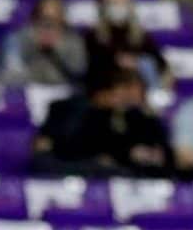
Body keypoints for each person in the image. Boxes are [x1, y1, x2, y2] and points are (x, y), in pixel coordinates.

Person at [32, 69, 173, 178]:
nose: (129, 99)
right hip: (97, 169)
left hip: (138, 173)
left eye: (135, 93)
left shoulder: (148, 119)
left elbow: (164, 151)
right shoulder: (97, 115)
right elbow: (90, 145)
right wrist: (128, 153)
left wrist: (155, 154)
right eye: (125, 92)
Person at [0, 0, 89, 88]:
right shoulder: (23, 36)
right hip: (31, 87)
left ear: (61, 18)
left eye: (53, 20)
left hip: (64, 87)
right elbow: (10, 73)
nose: (48, 25)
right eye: (44, 18)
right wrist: (34, 44)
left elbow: (79, 69)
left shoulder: (73, 40)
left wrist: (56, 48)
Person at [86, 0, 165, 88]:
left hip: (139, 89)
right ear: (104, 5)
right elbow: (89, 68)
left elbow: (159, 63)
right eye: (113, 2)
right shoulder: (93, 35)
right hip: (107, 90)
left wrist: (137, 63)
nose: (118, 6)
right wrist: (117, 62)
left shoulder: (141, 35)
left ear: (130, 5)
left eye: (122, 1)